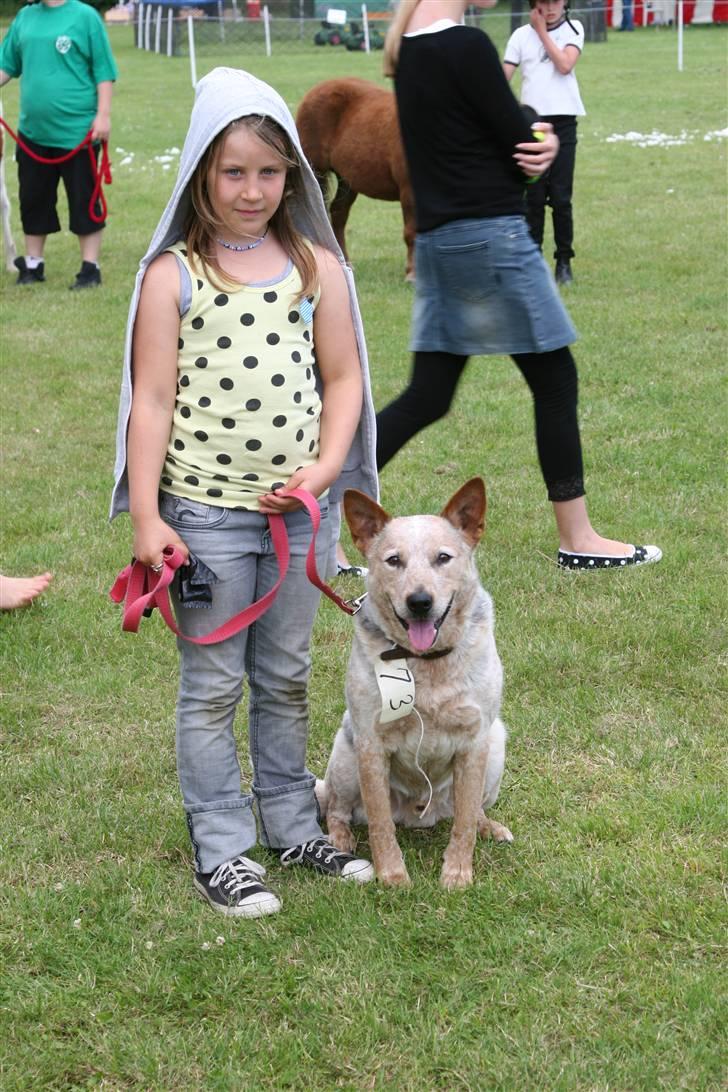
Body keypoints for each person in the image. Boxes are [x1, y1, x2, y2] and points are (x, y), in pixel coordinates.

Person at [110, 67, 379, 918]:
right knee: (212, 686)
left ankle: (293, 824)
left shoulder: (316, 268)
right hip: (205, 521)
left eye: (271, 172)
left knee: (288, 676)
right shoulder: (172, 277)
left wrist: (329, 465)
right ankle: (222, 848)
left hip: (299, 519)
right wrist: (150, 516)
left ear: (293, 175)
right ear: (201, 173)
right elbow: (150, 402)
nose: (253, 191)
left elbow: (343, 379)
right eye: (234, 172)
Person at [378, 0, 661, 572]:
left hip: (439, 243)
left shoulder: (407, 51)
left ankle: (311, 503)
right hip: (492, 237)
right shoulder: (466, 45)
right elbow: (520, 145)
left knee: (427, 397)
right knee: (556, 379)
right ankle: (578, 539)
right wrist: (544, 138)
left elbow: (467, 140)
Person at [0, 0, 117, 289]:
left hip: (78, 133)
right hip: (32, 134)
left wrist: (103, 116)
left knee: (84, 200)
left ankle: (90, 268)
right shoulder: (25, 18)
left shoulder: (85, 17)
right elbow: (7, 65)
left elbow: (103, 70)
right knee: (33, 200)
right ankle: (33, 265)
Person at [503, 0, 585, 285]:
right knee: (534, 199)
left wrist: (541, 31)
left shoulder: (574, 29)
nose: (550, 8)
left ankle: (564, 261)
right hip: (532, 124)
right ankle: (533, 260)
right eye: (543, 2)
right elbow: (503, 79)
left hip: (563, 124)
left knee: (561, 198)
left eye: (555, 1)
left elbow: (564, 65)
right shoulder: (519, 36)